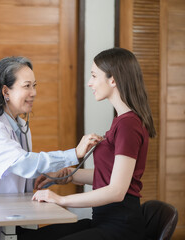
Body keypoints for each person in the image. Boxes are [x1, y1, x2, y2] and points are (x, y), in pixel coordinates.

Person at [0, 56, 102, 240]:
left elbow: (21, 179)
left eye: (34, 85)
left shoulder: (20, 126)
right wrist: (74, 154)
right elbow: (23, 163)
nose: (34, 92)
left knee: (85, 226)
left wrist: (50, 177)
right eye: (27, 86)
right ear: (6, 91)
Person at [25, 47, 156, 240]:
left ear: (113, 80)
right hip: (105, 221)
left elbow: (117, 190)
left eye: (94, 76)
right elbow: (110, 176)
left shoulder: (128, 124)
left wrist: (61, 199)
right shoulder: (122, 121)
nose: (89, 83)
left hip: (120, 228)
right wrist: (68, 175)